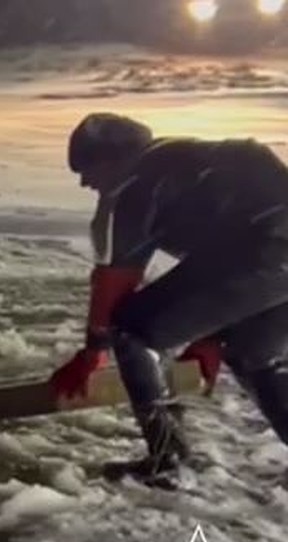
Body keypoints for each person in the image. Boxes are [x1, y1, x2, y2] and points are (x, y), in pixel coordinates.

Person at [50, 112, 288, 486]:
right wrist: (213, 337)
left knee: (132, 331)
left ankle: (169, 460)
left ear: (112, 159)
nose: (84, 182)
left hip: (266, 249)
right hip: (270, 252)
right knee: (255, 354)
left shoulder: (134, 186)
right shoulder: (185, 160)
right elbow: (229, 270)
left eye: (86, 168)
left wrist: (91, 354)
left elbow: (115, 283)